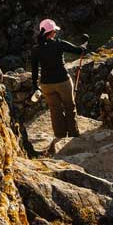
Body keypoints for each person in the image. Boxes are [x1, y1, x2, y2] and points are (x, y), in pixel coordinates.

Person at [30, 18, 88, 154]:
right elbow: (80, 51)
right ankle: (73, 134)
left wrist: (35, 86)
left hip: (46, 85)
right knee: (69, 106)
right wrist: (85, 41)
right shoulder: (59, 44)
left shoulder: (36, 49)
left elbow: (34, 70)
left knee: (55, 110)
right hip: (62, 81)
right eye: (54, 31)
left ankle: (60, 135)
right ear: (52, 32)